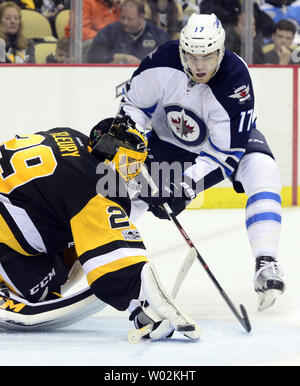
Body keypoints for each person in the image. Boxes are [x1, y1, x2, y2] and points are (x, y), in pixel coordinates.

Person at [119, 13, 286, 313]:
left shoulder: (235, 80)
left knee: (263, 169)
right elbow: (133, 106)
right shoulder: (162, 61)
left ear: (220, 51)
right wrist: (132, 147)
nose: (199, 65)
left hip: (221, 146)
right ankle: (74, 253)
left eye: (207, 57)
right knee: (120, 193)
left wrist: (183, 187)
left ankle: (266, 262)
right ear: (182, 50)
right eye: (192, 56)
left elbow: (223, 155)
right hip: (167, 141)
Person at [0, 114, 201, 341]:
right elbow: (113, 255)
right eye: (130, 164)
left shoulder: (72, 137)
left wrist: (143, 197)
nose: (133, 174)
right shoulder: (92, 187)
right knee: (39, 289)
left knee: (71, 243)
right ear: (111, 154)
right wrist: (141, 307)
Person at [87, 0, 170, 64]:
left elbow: (171, 57)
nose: (125, 22)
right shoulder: (108, 32)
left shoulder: (158, 34)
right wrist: (121, 57)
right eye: (123, 18)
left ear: (142, 16)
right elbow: (93, 56)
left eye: (129, 19)